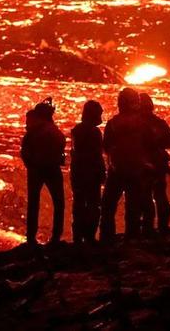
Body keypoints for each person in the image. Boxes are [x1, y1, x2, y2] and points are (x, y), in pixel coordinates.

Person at [100, 88, 150, 241]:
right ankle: (132, 238)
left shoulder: (113, 123)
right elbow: (152, 144)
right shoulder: (143, 123)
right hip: (136, 169)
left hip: (117, 169)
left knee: (108, 206)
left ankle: (107, 239)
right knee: (133, 207)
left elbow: (106, 146)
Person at [20, 97, 66, 246]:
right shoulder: (52, 130)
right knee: (59, 203)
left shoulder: (32, 130)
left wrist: (30, 164)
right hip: (52, 169)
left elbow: (25, 150)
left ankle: (31, 238)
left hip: (35, 169)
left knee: (33, 203)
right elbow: (60, 146)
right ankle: (55, 237)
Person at [139, 93, 170, 235]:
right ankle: (162, 228)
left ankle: (147, 229)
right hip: (159, 164)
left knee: (145, 197)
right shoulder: (159, 123)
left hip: (143, 165)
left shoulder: (136, 124)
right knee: (160, 196)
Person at [69, 100, 106, 244]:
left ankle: (78, 236)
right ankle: (89, 236)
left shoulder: (77, 130)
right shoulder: (94, 132)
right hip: (90, 173)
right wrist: (102, 172)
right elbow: (97, 155)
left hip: (78, 172)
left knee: (78, 204)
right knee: (93, 205)